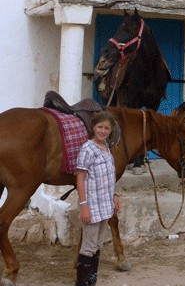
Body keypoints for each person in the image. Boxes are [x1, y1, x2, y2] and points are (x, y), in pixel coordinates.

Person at [75, 111, 120, 286]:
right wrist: (84, 205)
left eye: (106, 128)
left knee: (98, 244)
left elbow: (109, 176)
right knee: (88, 246)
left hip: (106, 205)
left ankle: (91, 281)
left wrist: (114, 196)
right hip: (93, 205)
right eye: (100, 127)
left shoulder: (107, 148)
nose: (103, 131)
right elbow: (80, 177)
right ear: (93, 127)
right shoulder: (87, 148)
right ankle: (81, 283)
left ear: (111, 130)